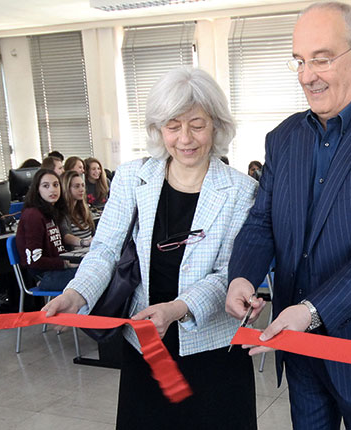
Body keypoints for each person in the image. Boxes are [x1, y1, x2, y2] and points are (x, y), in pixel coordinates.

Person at [225, 3, 351, 429]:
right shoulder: (282, 139)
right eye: (299, 61)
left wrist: (309, 310)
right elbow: (262, 221)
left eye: (321, 59)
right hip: (299, 348)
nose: (307, 75)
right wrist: (242, 276)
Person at [43, 67, 258, 429]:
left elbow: (228, 273)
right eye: (173, 126)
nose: (185, 138)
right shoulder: (133, 177)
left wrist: (177, 309)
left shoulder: (240, 190)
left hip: (212, 351)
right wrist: (76, 295)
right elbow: (105, 250)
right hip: (146, 346)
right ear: (159, 130)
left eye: (197, 124)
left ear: (217, 126)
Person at [16, 168, 78, 291]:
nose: (52, 189)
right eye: (46, 186)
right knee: (95, 277)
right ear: (37, 190)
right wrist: (65, 264)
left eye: (56, 185)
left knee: (98, 270)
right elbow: (35, 261)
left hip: (57, 269)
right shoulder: (33, 215)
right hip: (45, 276)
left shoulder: (51, 212)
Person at [60, 170, 95, 250]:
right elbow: (65, 236)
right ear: (66, 188)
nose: (81, 189)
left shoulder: (84, 209)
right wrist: (84, 242)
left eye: (83, 185)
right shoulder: (61, 211)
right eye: (77, 186)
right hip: (76, 254)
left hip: (90, 251)